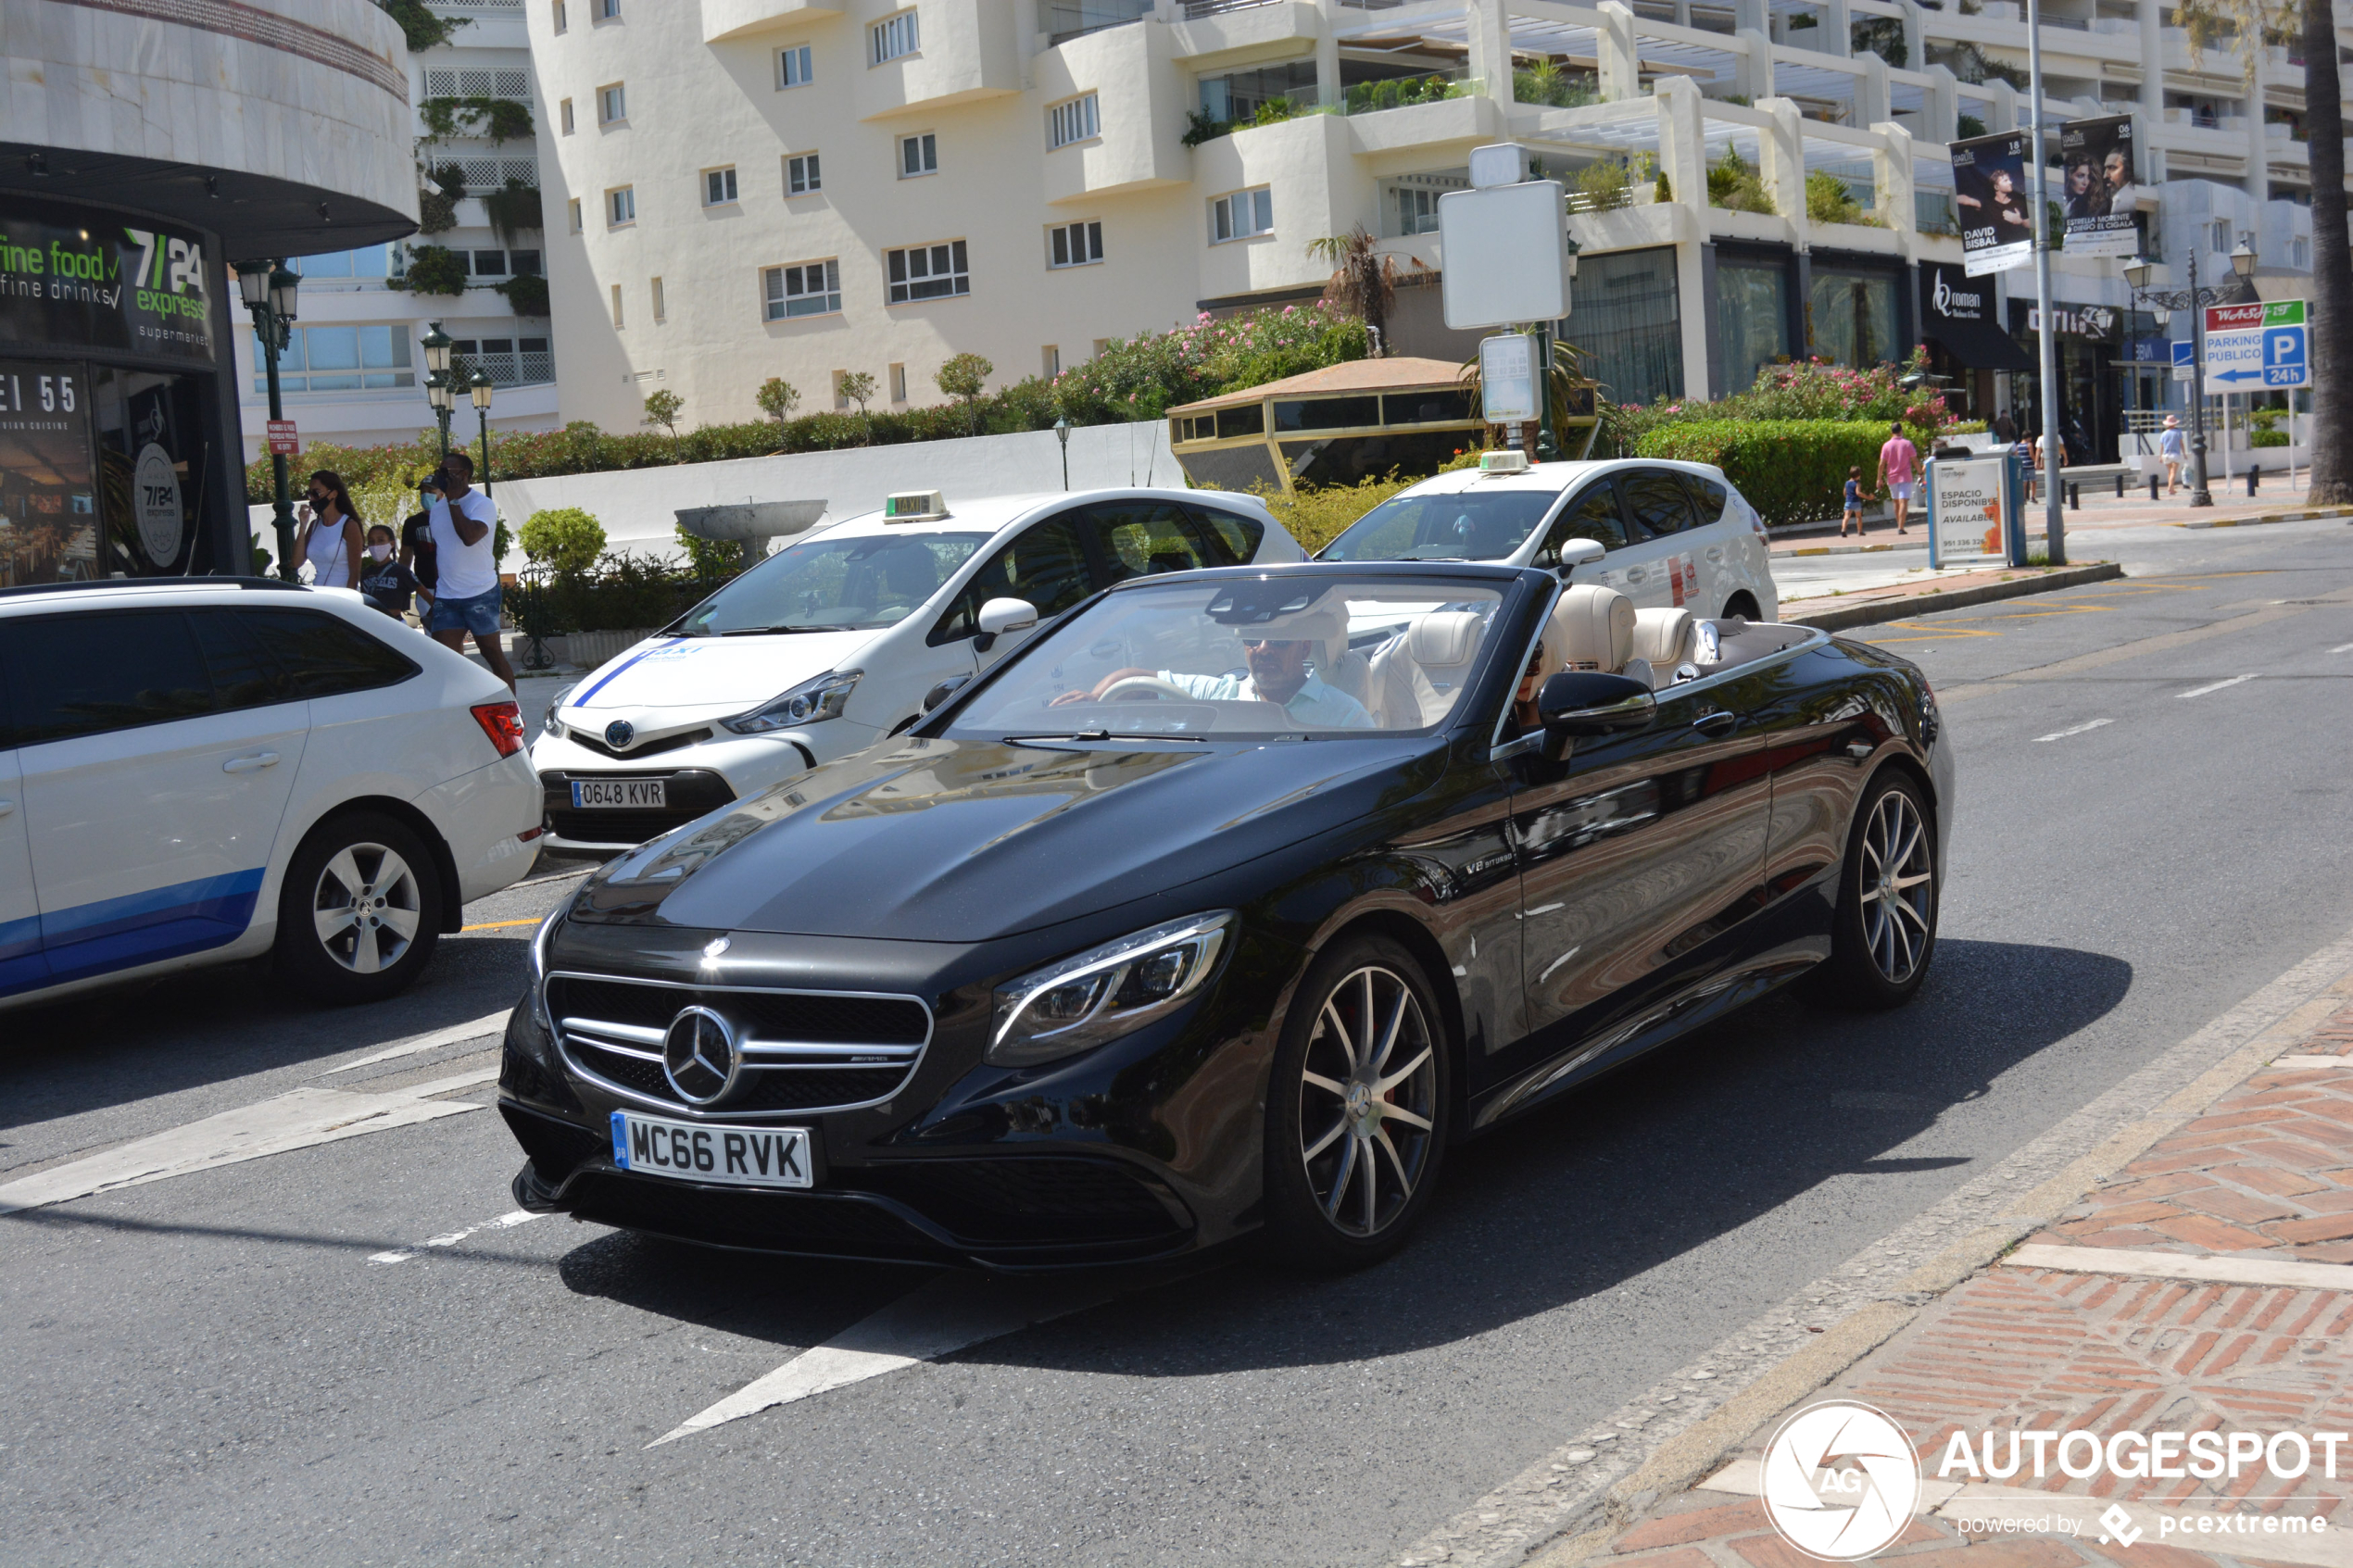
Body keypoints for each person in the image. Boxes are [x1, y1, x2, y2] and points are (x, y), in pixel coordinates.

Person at [1053, 602, 1372, 728]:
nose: (1262, 650)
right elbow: (1134, 680)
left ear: (1304, 646)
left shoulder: (1346, 715)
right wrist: (1096, 699)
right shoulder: (1220, 691)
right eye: (1252, 640)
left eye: (1277, 641)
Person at [422, 450, 515, 692]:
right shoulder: (437, 509)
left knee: (492, 654)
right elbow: (443, 551)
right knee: (446, 661)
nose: (440, 476)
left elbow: (469, 537)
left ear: (463, 475)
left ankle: (513, 714)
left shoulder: (482, 505)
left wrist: (454, 502)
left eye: (446, 472)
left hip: (480, 593)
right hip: (447, 597)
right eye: (439, 471)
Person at [292, 470, 364, 589]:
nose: (313, 499)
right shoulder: (314, 526)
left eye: (317, 493)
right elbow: (296, 563)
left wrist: (350, 599)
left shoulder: (349, 526)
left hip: (343, 594)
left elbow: (355, 573)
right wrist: (302, 527)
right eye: (310, 494)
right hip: (320, 594)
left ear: (333, 494)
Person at [356, 524, 422, 620]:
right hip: (371, 622)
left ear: (392, 544)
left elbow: (425, 594)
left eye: (381, 540)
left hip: (394, 622)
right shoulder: (366, 573)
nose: (376, 545)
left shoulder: (401, 571)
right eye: (371, 542)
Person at [1875, 422, 1919, 536]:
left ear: (1892, 432)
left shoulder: (1886, 445)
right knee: (1903, 501)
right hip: (1905, 476)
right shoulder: (1907, 444)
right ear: (1901, 431)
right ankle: (1901, 526)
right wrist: (1920, 472)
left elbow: (1881, 464)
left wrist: (1879, 479)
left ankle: (1899, 525)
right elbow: (1914, 460)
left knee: (1896, 501)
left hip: (1892, 477)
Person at [398, 502, 438, 620]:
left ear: (441, 493)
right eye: (423, 491)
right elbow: (405, 556)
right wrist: (402, 585)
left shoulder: (451, 518)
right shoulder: (412, 523)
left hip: (451, 586)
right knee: (430, 632)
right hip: (424, 586)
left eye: (431, 491)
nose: (426, 495)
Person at [2158, 413, 2186, 495]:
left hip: (2166, 455)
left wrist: (2160, 456)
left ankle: (2170, 487)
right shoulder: (2178, 432)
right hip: (2175, 454)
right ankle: (2171, 488)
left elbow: (2162, 446)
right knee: (2173, 472)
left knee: (2170, 472)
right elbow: (2181, 444)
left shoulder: (2164, 434)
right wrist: (2184, 453)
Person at [1840, 467, 1868, 538]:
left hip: (1848, 501)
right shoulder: (1857, 483)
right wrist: (1866, 496)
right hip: (1856, 502)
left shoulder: (1847, 483)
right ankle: (1860, 531)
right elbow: (1858, 493)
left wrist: (1847, 498)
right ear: (1858, 475)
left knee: (1846, 517)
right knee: (1858, 517)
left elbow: (1844, 493)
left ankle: (1843, 530)